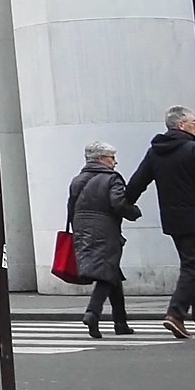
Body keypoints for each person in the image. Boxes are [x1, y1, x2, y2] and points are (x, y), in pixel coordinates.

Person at [125, 105, 195, 340]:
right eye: (192, 122)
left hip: (173, 219)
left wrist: (125, 206)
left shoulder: (155, 152)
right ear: (181, 125)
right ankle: (175, 314)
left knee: (189, 264)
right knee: (191, 267)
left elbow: (137, 181)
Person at [66, 144, 139, 338]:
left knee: (111, 271)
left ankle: (120, 322)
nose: (115, 162)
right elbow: (118, 203)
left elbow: (71, 207)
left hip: (82, 227)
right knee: (106, 273)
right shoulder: (112, 178)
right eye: (112, 157)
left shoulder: (77, 180)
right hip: (105, 228)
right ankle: (92, 312)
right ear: (101, 159)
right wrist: (134, 212)